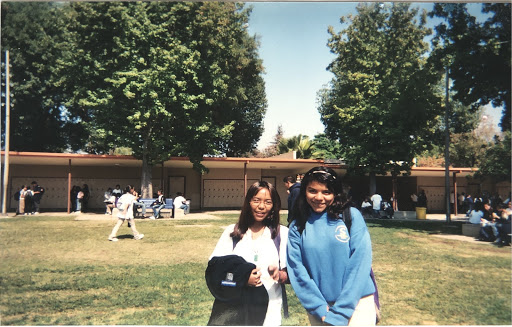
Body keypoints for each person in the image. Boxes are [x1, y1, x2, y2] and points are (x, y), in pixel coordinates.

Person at [287, 166, 376, 326]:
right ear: (304, 191)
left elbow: (360, 264)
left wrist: (342, 310)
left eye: (326, 192)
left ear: (335, 193)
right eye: (312, 191)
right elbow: (297, 270)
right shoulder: (297, 225)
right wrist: (320, 308)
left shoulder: (350, 216)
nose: (319, 197)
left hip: (358, 304)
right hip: (321, 310)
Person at [207, 181, 288, 326]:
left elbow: (292, 274)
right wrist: (243, 277)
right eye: (256, 200)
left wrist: (280, 275)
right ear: (248, 202)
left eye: (268, 202)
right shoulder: (232, 232)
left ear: (274, 206)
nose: (261, 206)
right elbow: (216, 269)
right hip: (234, 310)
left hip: (268, 312)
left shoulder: (282, 234)